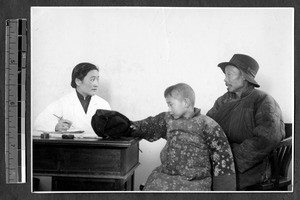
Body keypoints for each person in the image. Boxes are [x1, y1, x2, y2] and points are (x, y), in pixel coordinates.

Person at [131, 83, 236, 191]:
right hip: (163, 178)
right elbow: (146, 126)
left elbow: (223, 159)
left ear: (185, 102)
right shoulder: (168, 119)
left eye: (171, 104)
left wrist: (223, 195)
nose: (169, 109)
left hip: (195, 184)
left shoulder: (208, 125)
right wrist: (125, 125)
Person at [206, 54, 286, 190]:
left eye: (229, 75)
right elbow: (207, 127)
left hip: (249, 166)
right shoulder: (222, 101)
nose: (225, 79)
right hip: (220, 160)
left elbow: (267, 137)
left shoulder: (263, 100)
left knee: (218, 183)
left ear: (244, 76)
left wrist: (230, 159)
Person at [34, 62, 111, 137]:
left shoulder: (103, 104)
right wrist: (56, 126)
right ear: (78, 81)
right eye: (92, 79)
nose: (96, 84)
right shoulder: (63, 102)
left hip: (97, 148)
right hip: (72, 147)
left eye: (97, 79)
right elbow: (39, 123)